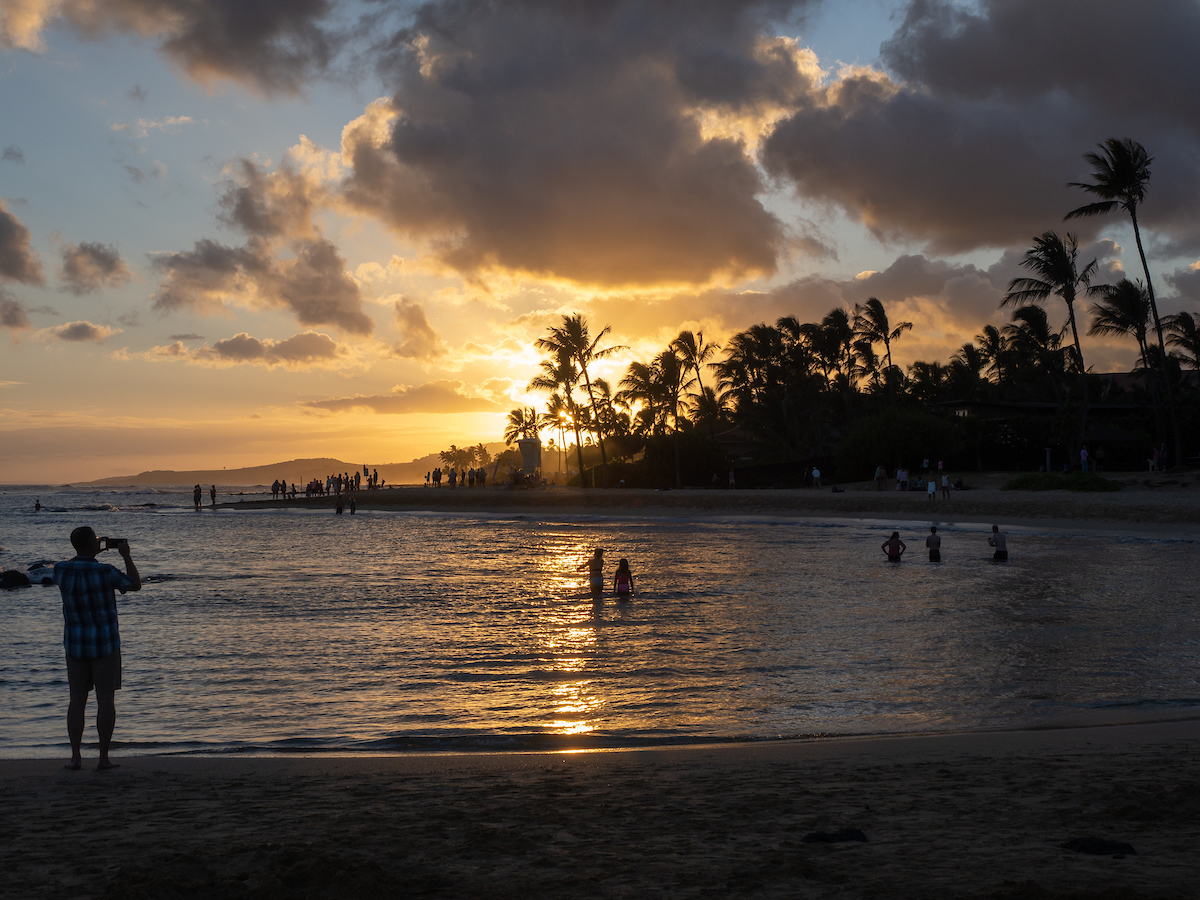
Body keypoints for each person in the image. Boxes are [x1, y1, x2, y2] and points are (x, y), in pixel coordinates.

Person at [54, 526, 141, 770]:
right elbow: (135, 584)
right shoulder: (105, 571)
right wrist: (126, 556)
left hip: (75, 645)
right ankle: (103, 757)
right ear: (94, 544)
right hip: (105, 644)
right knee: (105, 699)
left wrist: (89, 552)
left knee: (76, 700)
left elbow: (76, 564)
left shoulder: (60, 570)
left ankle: (75, 757)